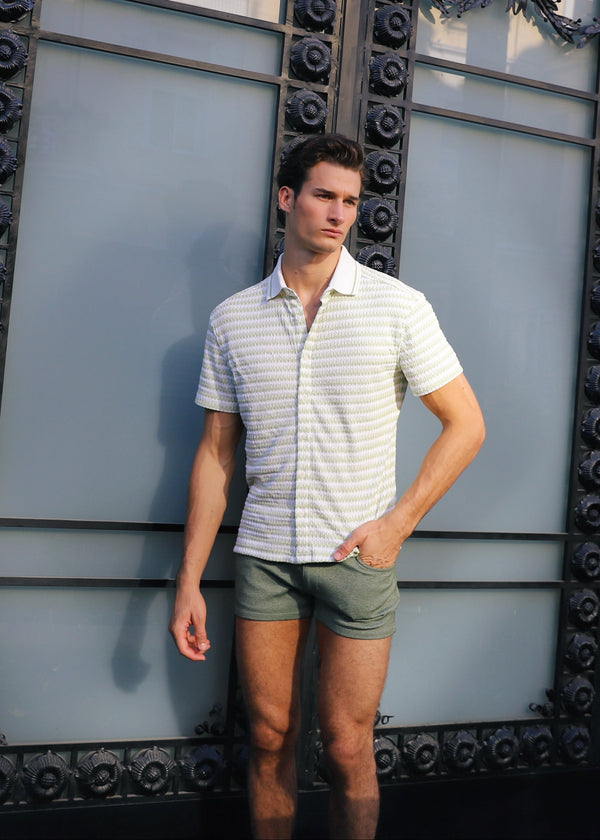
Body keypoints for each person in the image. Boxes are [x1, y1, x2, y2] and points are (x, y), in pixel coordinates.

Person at [169, 134, 485, 840]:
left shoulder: (398, 307)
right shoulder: (233, 319)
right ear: (287, 197)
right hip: (266, 560)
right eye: (324, 195)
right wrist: (189, 580)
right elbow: (216, 457)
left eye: (351, 200)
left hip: (358, 559)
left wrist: (394, 527)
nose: (340, 213)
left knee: (346, 747)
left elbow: (466, 425)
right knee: (272, 736)